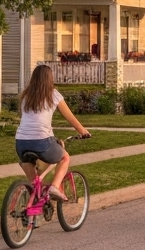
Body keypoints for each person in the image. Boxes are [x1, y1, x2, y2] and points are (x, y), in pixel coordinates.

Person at [14, 64, 91, 202]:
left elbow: (32, 121)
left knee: (34, 185)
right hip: (41, 141)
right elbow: (70, 117)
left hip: (21, 142)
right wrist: (82, 131)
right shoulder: (53, 95)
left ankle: (31, 209)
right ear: (50, 79)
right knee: (64, 157)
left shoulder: (26, 96)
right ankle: (55, 186)